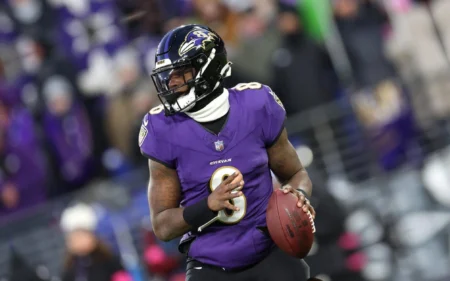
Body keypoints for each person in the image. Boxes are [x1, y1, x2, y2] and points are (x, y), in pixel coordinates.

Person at [139, 24, 316, 281]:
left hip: (270, 249)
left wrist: (298, 196)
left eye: (181, 72)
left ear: (207, 68)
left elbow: (297, 174)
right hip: (211, 264)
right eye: (168, 74)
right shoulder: (161, 128)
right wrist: (208, 206)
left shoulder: (256, 105)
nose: (172, 82)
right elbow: (163, 226)